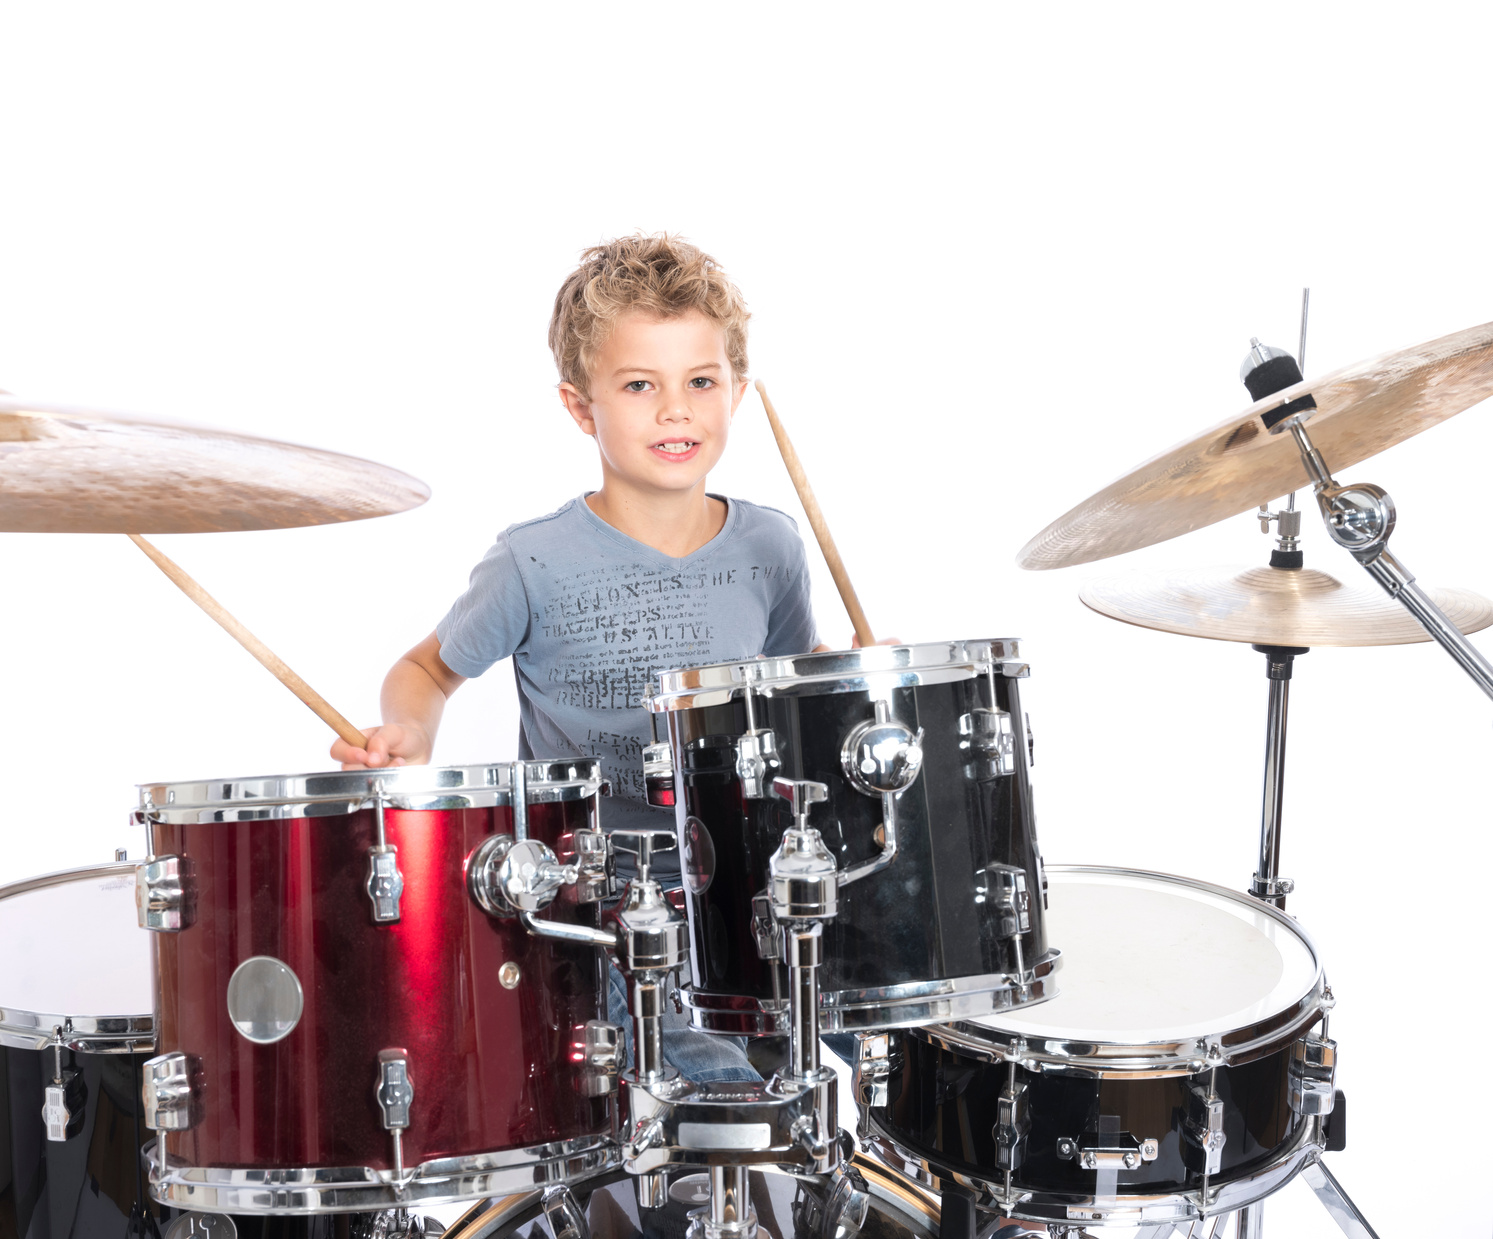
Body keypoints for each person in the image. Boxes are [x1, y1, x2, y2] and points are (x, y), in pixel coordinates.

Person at [332, 233, 825, 1084]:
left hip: (746, 894)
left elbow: (795, 683)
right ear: (579, 405)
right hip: (595, 909)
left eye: (700, 382)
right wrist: (408, 732)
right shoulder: (536, 561)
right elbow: (426, 669)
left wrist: (859, 689)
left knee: (873, 1049)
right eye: (641, 385)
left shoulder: (770, 545)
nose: (677, 411)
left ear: (737, 391)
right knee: (718, 1100)